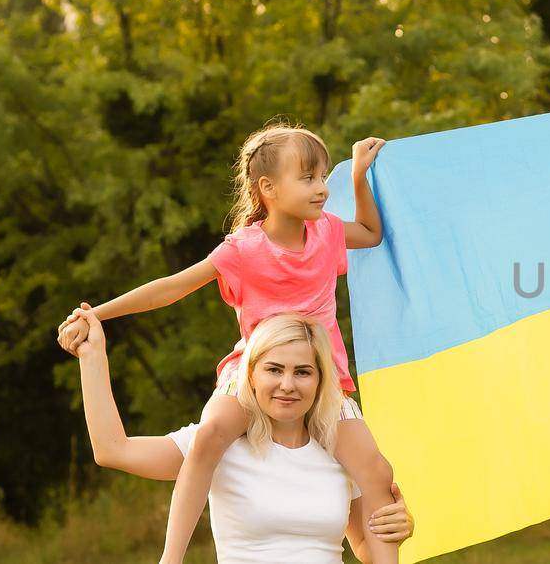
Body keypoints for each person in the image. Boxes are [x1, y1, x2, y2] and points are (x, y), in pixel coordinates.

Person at [56, 124, 398, 562]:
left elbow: (370, 233)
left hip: (322, 373)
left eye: (324, 177)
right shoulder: (243, 249)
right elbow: (170, 288)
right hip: (256, 371)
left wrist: (359, 179)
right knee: (211, 434)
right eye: (309, 178)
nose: (321, 189)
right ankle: (171, 557)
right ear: (268, 189)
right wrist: (96, 313)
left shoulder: (329, 232)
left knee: (376, 469)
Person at [67, 308, 413, 563]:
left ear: (321, 380)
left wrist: (402, 525)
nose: (287, 385)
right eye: (274, 370)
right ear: (251, 375)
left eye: (303, 372)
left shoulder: (339, 453)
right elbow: (113, 450)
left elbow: (367, 551)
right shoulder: (220, 445)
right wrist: (92, 355)